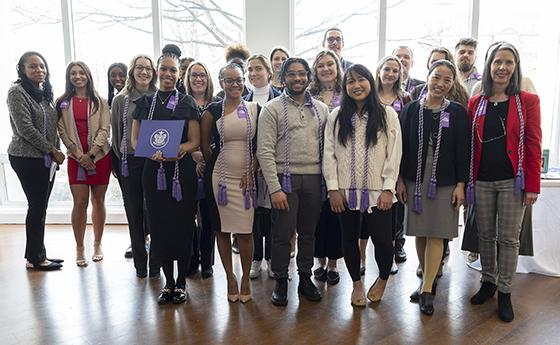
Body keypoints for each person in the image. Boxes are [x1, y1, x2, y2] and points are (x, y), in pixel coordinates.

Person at [467, 42, 541, 322]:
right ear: (488, 66)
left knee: (508, 239)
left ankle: (505, 292)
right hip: (482, 181)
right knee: (484, 235)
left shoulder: (527, 101)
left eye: (508, 62)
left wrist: (532, 184)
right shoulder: (476, 102)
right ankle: (488, 282)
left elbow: (534, 143)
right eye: (497, 61)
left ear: (515, 67)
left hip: (513, 181)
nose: (502, 67)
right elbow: (470, 145)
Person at [323, 63, 402, 306]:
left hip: (379, 192)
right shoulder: (336, 116)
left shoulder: (387, 114)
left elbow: (394, 153)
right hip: (345, 192)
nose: (356, 86)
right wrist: (333, 189)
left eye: (361, 80)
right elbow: (329, 154)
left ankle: (382, 278)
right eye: (351, 81)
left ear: (370, 81)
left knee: (382, 239)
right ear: (345, 87)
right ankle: (356, 284)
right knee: (348, 238)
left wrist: (388, 188)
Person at [397, 59, 469, 315]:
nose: (440, 83)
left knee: (437, 232)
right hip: (415, 178)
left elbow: (464, 151)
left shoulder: (458, 112)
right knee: (420, 231)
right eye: (436, 77)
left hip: (445, 180)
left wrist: (461, 185)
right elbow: (401, 148)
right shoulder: (410, 110)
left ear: (452, 84)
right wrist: (399, 180)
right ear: (427, 77)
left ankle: (427, 289)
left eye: (447, 80)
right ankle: (426, 281)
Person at [257, 57, 329, 306]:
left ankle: (305, 277)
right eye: (292, 74)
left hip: (314, 179)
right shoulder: (272, 108)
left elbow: (327, 149)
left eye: (302, 74)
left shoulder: (322, 109)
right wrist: (274, 188)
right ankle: (280, 278)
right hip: (284, 180)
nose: (297, 79)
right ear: (282, 78)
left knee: (309, 233)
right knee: (282, 233)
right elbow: (264, 151)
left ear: (309, 77)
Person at [131, 46, 200, 305]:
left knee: (182, 226)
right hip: (154, 172)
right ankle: (168, 283)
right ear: (156, 71)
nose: (168, 73)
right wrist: (150, 153)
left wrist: (179, 149)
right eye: (164, 69)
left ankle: (181, 283)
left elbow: (194, 141)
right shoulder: (145, 102)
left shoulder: (187, 102)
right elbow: (136, 140)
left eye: (173, 69)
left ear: (179, 72)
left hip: (181, 174)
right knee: (158, 227)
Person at [200, 63, 259, 303]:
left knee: (245, 232)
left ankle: (245, 277)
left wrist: (252, 171)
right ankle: (230, 277)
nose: (235, 85)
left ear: (244, 82)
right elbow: (205, 147)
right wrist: (218, 169)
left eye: (239, 80)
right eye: (229, 80)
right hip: (219, 179)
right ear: (221, 82)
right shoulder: (211, 111)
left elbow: (260, 146)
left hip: (246, 180)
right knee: (221, 230)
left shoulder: (256, 108)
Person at [8, 51, 65, 271]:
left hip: (45, 158)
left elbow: (51, 128)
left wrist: (55, 151)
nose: (39, 70)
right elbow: (26, 129)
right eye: (33, 66)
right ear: (22, 69)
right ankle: (36, 258)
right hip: (26, 157)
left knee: (40, 207)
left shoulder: (42, 93)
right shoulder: (17, 92)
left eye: (42, 66)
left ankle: (37, 253)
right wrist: (52, 150)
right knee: (37, 207)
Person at [56, 61, 111, 268]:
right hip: (76, 159)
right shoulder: (62, 102)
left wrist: (92, 154)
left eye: (81, 73)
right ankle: (80, 247)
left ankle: (97, 244)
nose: (77, 76)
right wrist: (80, 156)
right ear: (69, 77)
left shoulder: (100, 101)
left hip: (100, 157)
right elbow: (62, 131)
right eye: (73, 73)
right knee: (79, 202)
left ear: (88, 75)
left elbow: (105, 130)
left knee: (98, 200)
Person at [111, 55, 158, 278]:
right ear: (132, 71)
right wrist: (121, 161)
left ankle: (157, 263)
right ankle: (141, 263)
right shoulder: (121, 100)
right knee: (135, 211)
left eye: (148, 69)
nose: (144, 72)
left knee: (155, 212)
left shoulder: (160, 97)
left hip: (156, 160)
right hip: (129, 161)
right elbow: (117, 133)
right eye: (140, 68)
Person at [308, 49, 344, 285]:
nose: (326, 69)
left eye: (330, 64)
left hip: (340, 163)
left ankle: (333, 263)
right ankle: (318, 261)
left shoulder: (347, 93)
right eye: (321, 65)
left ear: (337, 67)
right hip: (312, 162)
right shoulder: (309, 95)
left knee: (337, 216)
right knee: (315, 217)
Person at [244, 55, 281, 279]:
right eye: (250, 69)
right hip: (249, 165)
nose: (253, 73)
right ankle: (256, 258)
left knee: (274, 214)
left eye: (258, 68)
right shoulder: (243, 99)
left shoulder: (280, 99)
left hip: (275, 164)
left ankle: (271, 257)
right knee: (255, 214)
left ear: (269, 71)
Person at [375, 55, 413, 271]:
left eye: (395, 71)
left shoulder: (405, 98)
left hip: (399, 155)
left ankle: (398, 243)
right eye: (387, 69)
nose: (390, 74)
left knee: (397, 204)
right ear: (379, 71)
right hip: (375, 157)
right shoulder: (370, 95)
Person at [184, 60, 216, 279]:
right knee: (187, 216)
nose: (198, 79)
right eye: (194, 75)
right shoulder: (181, 104)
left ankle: (207, 262)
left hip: (212, 166)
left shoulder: (218, 104)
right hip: (186, 165)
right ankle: (191, 259)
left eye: (202, 75)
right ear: (187, 79)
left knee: (208, 216)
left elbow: (221, 136)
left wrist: (206, 158)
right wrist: (194, 155)